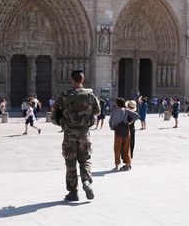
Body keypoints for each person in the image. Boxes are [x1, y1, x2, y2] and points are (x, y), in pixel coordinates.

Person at [52, 69, 100, 201]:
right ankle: (86, 181)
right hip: (85, 133)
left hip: (69, 134)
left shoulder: (65, 95)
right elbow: (97, 111)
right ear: (83, 80)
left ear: (71, 80)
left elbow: (54, 110)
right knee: (85, 160)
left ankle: (73, 192)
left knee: (70, 163)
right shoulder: (90, 94)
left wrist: (62, 121)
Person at [109, 97, 139, 172]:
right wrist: (130, 122)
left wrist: (113, 127)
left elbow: (111, 121)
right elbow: (137, 116)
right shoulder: (126, 110)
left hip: (118, 131)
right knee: (127, 148)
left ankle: (116, 166)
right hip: (126, 130)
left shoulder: (114, 111)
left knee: (117, 149)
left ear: (116, 104)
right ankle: (128, 166)